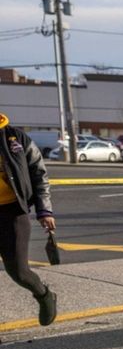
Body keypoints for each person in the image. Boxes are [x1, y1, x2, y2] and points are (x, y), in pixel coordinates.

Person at [0, 112, 58, 326]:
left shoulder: (16, 138)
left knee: (19, 272)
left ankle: (44, 295)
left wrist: (45, 210)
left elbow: (38, 173)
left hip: (13, 213)